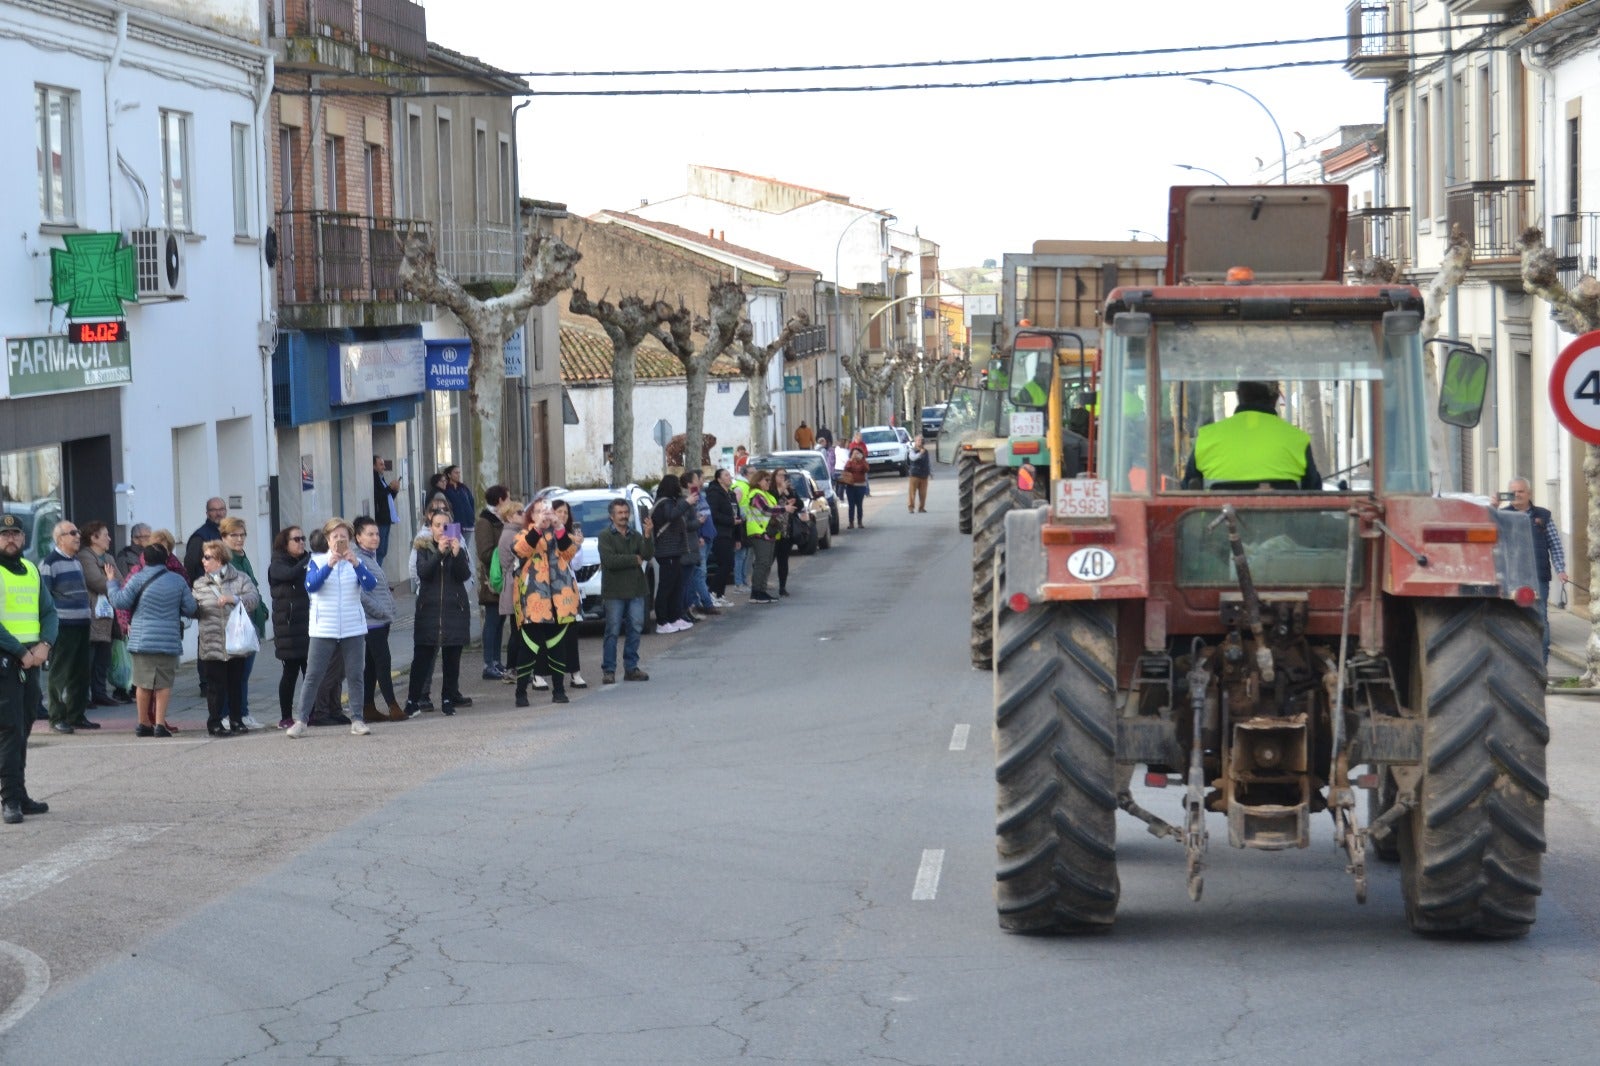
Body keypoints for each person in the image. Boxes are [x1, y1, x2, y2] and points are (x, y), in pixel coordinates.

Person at [288, 518, 378, 738]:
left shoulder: (356, 562)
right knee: (313, 675)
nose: (339, 540)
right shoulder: (317, 561)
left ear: (350, 540)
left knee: (355, 674)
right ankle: (301, 720)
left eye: (343, 537)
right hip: (323, 627)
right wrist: (330, 564)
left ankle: (357, 719)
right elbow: (311, 585)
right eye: (335, 537)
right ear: (328, 540)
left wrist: (356, 564)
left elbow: (370, 585)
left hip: (352, 626)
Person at [0, 512, 57, 823]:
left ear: (23, 538)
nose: (10, 539)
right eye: (4, 535)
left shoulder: (32, 570)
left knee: (23, 727)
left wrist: (45, 644)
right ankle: (9, 800)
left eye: (15, 534)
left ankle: (19, 794)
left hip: (31, 661)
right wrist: (21, 651)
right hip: (7, 660)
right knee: (9, 730)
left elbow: (49, 612)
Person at [1183, 380, 1323, 490]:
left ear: (1239, 395)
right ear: (1275, 398)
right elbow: (1315, 496)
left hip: (1220, 519)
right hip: (1285, 520)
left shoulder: (1206, 437)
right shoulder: (1298, 440)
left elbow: (1187, 492)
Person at [512, 499, 580, 706]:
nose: (545, 515)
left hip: (559, 600)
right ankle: (521, 693)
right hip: (533, 601)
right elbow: (521, 550)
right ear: (532, 516)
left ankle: (559, 690)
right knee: (529, 648)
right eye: (540, 511)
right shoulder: (524, 534)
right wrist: (538, 529)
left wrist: (558, 527)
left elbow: (570, 552)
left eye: (548, 511)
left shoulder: (561, 534)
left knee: (557, 647)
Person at [405, 508, 473, 717]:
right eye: (437, 526)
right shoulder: (423, 548)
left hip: (454, 610)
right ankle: (413, 700)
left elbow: (464, 575)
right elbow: (424, 573)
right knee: (422, 658)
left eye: (446, 526)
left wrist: (456, 554)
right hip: (429, 611)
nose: (442, 530)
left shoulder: (459, 549)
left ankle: (448, 698)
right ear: (430, 528)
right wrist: (439, 553)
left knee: (452, 659)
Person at [191, 540, 261, 737]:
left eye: (207, 557)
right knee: (215, 686)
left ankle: (236, 720)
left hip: (235, 642)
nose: (203, 561)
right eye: (203, 557)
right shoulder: (200, 584)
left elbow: (254, 599)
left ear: (219, 559)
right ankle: (215, 722)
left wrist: (235, 599)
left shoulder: (240, 578)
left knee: (235, 683)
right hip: (211, 642)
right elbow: (193, 609)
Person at [1504, 477, 1569, 667]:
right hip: (1511, 578)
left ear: (1529, 493)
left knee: (1540, 619)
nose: (1517, 495)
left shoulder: (1543, 516)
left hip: (1538, 576)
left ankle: (1541, 668)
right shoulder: (1502, 516)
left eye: (1521, 491)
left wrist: (1561, 570)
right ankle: (1515, 667)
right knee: (1511, 620)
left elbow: (1555, 545)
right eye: (1513, 492)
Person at [39, 520, 95, 733]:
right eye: (72, 533)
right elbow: (44, 598)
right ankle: (57, 717)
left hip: (82, 622)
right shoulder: (50, 563)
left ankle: (76, 715)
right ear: (60, 538)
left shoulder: (76, 562)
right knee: (60, 671)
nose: (78, 536)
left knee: (81, 672)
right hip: (63, 625)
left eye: (77, 532)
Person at [353, 516, 405, 722]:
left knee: (372, 665)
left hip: (381, 620)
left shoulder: (371, 557)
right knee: (383, 662)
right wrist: (381, 611)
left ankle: (368, 707)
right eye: (370, 534)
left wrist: (389, 608)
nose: (375, 537)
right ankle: (393, 705)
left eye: (376, 534)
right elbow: (360, 594)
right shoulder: (357, 560)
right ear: (358, 537)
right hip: (371, 622)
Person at [219, 518, 269, 730]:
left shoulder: (242, 557)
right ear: (224, 537)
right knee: (234, 674)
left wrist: (262, 609)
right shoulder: (226, 561)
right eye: (234, 535)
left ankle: (242, 712)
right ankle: (228, 714)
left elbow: (253, 587)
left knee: (243, 673)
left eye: (242, 535)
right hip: (236, 623)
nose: (239, 539)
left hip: (250, 621)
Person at [599, 497, 652, 684]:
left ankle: (631, 668)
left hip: (636, 589)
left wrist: (647, 535)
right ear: (611, 516)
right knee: (612, 631)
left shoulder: (635, 535)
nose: (624, 516)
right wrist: (633, 559)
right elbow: (610, 561)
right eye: (620, 513)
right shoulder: (605, 536)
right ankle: (609, 670)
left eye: (626, 512)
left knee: (635, 628)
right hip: (614, 591)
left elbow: (647, 555)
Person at [77, 521, 127, 708]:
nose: (109, 538)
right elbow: (96, 581)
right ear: (94, 538)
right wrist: (110, 580)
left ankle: (100, 693)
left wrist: (111, 581)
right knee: (88, 659)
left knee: (103, 658)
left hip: (107, 616)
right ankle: (84, 696)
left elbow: (122, 583)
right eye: (105, 535)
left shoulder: (109, 558)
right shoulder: (84, 557)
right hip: (92, 615)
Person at [268, 526, 312, 729]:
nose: (301, 542)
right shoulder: (278, 564)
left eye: (303, 538)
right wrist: (307, 560)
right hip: (289, 629)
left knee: (310, 672)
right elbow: (290, 574)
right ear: (285, 543)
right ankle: (285, 716)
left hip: (307, 625)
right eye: (296, 539)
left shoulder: (305, 562)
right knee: (291, 672)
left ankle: (310, 712)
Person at [548, 498, 589, 688]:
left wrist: (578, 546)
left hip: (568, 591)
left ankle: (575, 672)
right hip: (549, 590)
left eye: (565, 512)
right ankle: (542, 674)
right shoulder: (546, 535)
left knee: (571, 633)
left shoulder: (570, 536)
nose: (563, 515)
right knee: (550, 634)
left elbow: (576, 565)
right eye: (559, 512)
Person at [650, 475, 695, 634]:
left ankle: (674, 617)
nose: (679, 488)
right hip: (666, 551)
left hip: (674, 551)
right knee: (666, 587)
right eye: (677, 485)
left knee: (676, 585)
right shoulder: (664, 503)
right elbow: (671, 515)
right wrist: (686, 502)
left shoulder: (670, 501)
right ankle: (662, 621)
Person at [475, 484, 511, 680]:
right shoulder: (485, 522)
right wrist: (504, 551)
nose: (510, 502)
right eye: (508, 498)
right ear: (500, 500)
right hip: (493, 579)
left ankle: (496, 661)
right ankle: (488, 663)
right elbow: (485, 553)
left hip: (503, 578)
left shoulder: (501, 520)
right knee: (492, 621)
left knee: (499, 621)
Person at [745, 468, 794, 604]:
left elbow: (774, 508)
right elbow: (766, 510)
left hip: (768, 533)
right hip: (759, 532)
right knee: (762, 563)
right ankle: (756, 592)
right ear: (758, 481)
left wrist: (785, 506)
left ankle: (761, 590)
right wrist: (784, 508)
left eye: (769, 480)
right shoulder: (756, 494)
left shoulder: (765, 494)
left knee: (766, 563)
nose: (768, 482)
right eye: (766, 480)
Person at [495, 500, 530, 689]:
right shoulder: (512, 534)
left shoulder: (512, 532)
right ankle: (513, 668)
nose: (523, 515)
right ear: (509, 517)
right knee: (518, 630)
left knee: (518, 630)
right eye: (519, 512)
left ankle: (513, 668)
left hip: (514, 582)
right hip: (514, 583)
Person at [678, 470, 719, 619]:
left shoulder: (700, 495)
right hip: (699, 540)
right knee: (699, 573)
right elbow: (692, 519)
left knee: (698, 573)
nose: (701, 482)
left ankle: (697, 603)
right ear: (689, 483)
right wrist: (699, 535)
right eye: (697, 479)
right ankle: (706, 603)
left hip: (708, 537)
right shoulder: (688, 499)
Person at [706, 467, 738, 605]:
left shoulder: (731, 494)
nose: (729, 477)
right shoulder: (714, 494)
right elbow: (714, 514)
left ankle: (720, 594)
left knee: (728, 564)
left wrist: (738, 537)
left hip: (730, 533)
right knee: (726, 563)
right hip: (719, 533)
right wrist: (730, 520)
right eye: (726, 475)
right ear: (719, 479)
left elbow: (735, 512)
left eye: (729, 475)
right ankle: (712, 592)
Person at [772, 469, 805, 598]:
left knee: (783, 560)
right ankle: (760, 584)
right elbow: (770, 503)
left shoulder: (790, 490)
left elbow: (800, 505)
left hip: (786, 530)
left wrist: (790, 495)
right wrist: (781, 490)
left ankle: (782, 587)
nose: (782, 478)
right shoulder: (770, 490)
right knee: (768, 559)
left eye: (784, 475)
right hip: (773, 529)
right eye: (780, 475)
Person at [373, 455, 401, 565]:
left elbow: (387, 499)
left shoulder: (381, 478)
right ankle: (377, 572)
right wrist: (389, 488)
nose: (384, 467)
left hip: (386, 519)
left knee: (383, 550)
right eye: (381, 464)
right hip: (380, 519)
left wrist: (394, 490)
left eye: (383, 464)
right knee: (380, 550)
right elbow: (378, 497)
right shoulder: (374, 478)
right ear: (374, 466)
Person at [841, 445, 870, 529]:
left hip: (860, 486)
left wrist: (861, 460)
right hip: (850, 486)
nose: (856, 455)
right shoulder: (849, 462)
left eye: (857, 453)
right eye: (854, 453)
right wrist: (851, 460)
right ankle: (851, 523)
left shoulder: (863, 462)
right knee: (851, 505)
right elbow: (846, 469)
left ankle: (860, 522)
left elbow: (866, 469)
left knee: (859, 504)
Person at [443, 465, 476, 536]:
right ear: (449, 475)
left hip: (468, 523)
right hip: (452, 524)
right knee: (452, 543)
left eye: (459, 473)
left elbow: (471, 501)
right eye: (456, 473)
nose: (458, 475)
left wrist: (472, 517)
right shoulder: (445, 489)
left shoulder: (463, 488)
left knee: (465, 543)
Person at [908, 435, 932, 513]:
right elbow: (912, 458)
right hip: (914, 474)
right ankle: (911, 507)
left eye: (921, 440)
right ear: (915, 442)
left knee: (923, 493)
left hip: (924, 475)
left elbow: (928, 462)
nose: (920, 442)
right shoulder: (912, 451)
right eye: (918, 440)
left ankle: (921, 508)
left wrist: (930, 472)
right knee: (912, 493)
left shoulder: (925, 451)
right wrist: (920, 454)